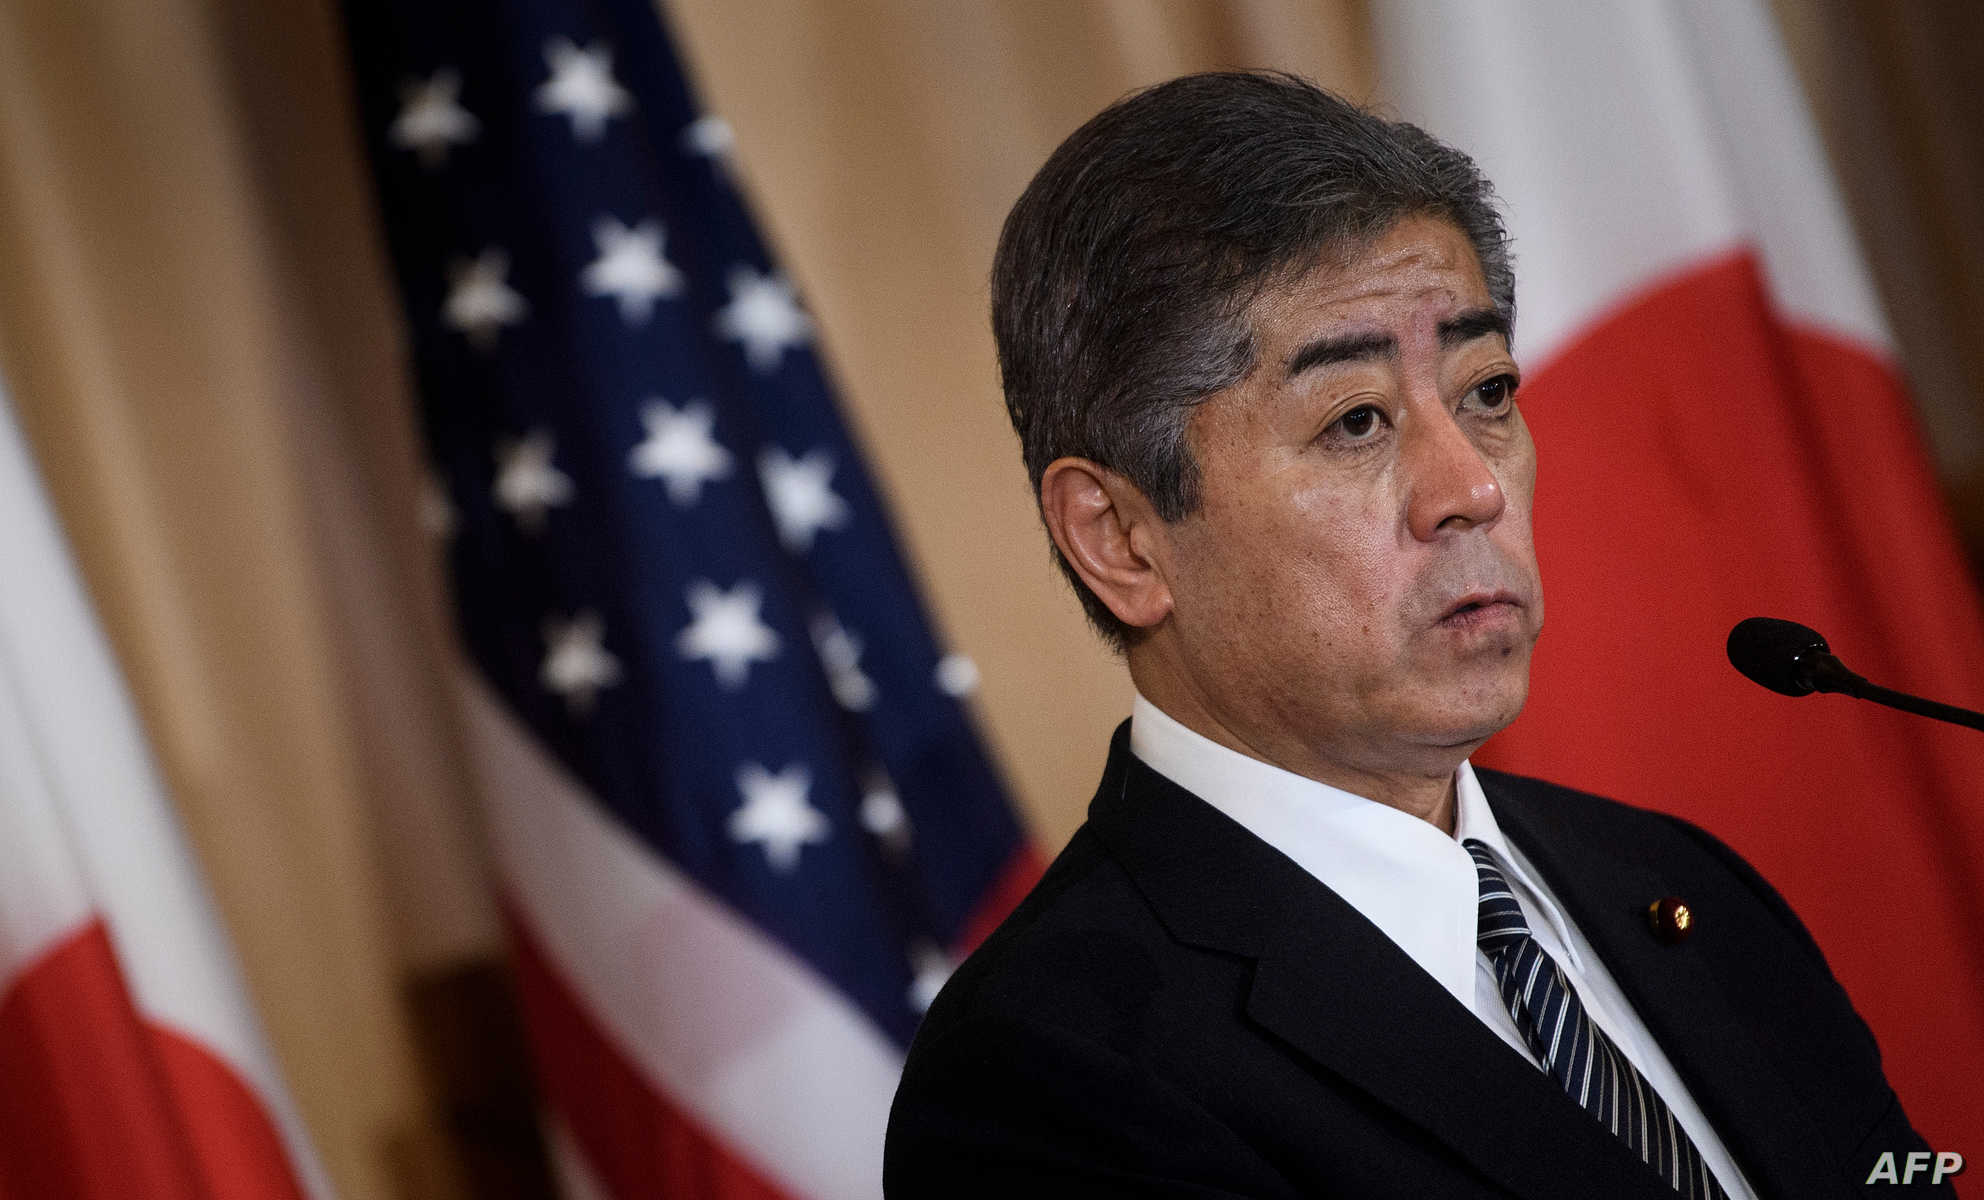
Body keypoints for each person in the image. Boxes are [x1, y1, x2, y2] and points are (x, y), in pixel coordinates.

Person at [883, 72, 1946, 1198]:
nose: (1473, 486)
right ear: (1122, 541)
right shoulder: (1049, 1079)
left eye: (1486, 391)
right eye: (1356, 421)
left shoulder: (1684, 886)